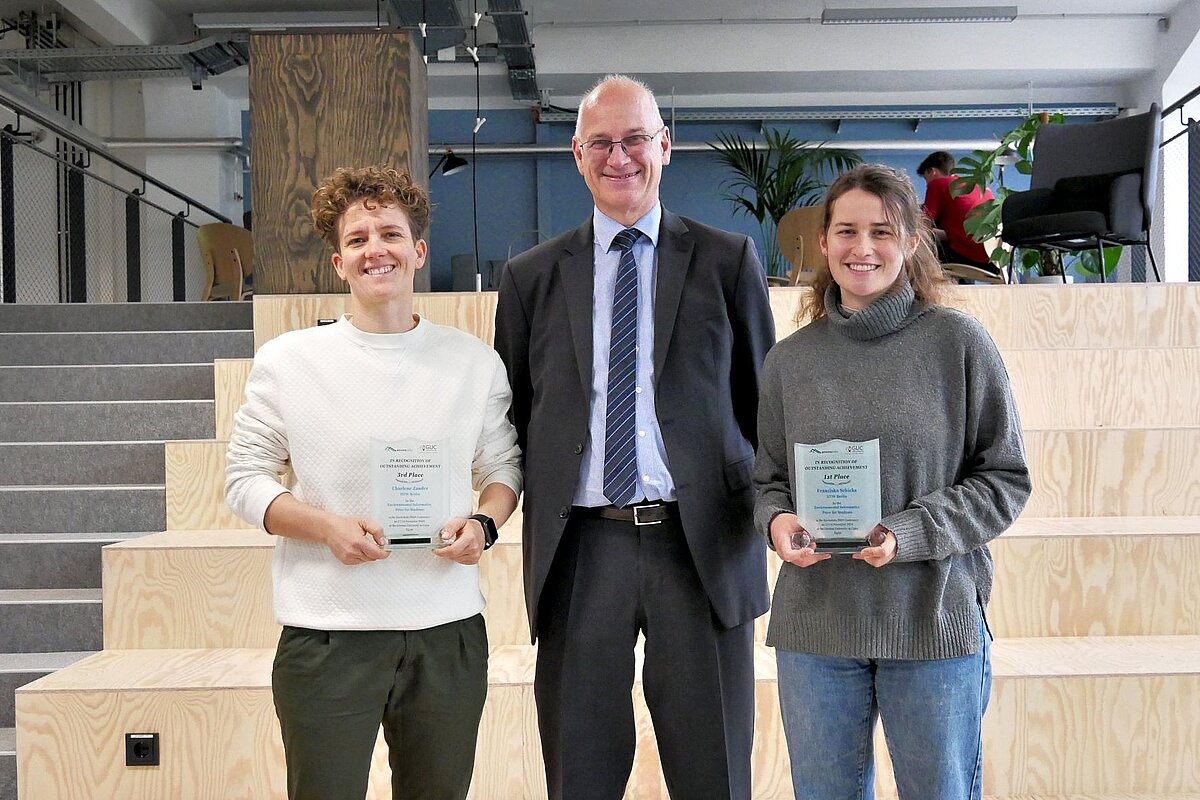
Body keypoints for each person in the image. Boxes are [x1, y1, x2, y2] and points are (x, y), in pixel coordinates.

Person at [494, 74, 775, 800]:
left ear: (666, 146)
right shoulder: (529, 279)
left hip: (701, 545)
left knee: (713, 772)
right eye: (601, 143)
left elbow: (762, 407)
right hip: (582, 549)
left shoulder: (728, 260)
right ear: (577, 155)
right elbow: (519, 415)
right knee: (579, 774)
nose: (620, 158)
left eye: (635, 140)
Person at [225, 166, 521, 800]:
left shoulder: (473, 361)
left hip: (447, 630)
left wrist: (485, 524)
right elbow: (244, 479)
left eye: (389, 233)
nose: (374, 249)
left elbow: (502, 470)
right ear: (339, 263)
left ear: (417, 251)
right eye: (357, 239)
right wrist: (324, 527)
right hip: (328, 633)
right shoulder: (290, 362)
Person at [753, 163, 1031, 800]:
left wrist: (908, 532)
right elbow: (767, 479)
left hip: (932, 624)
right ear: (823, 242)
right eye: (846, 231)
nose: (863, 248)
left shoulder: (958, 343)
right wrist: (777, 521)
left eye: (882, 231)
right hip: (817, 630)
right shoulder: (790, 360)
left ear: (911, 242)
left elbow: (1005, 479)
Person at [917, 150, 996, 270]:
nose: (927, 184)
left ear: (932, 171)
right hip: (994, 257)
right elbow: (960, 232)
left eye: (925, 178)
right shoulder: (976, 185)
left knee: (917, 246)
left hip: (970, 254)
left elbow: (923, 227)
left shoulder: (938, 184)